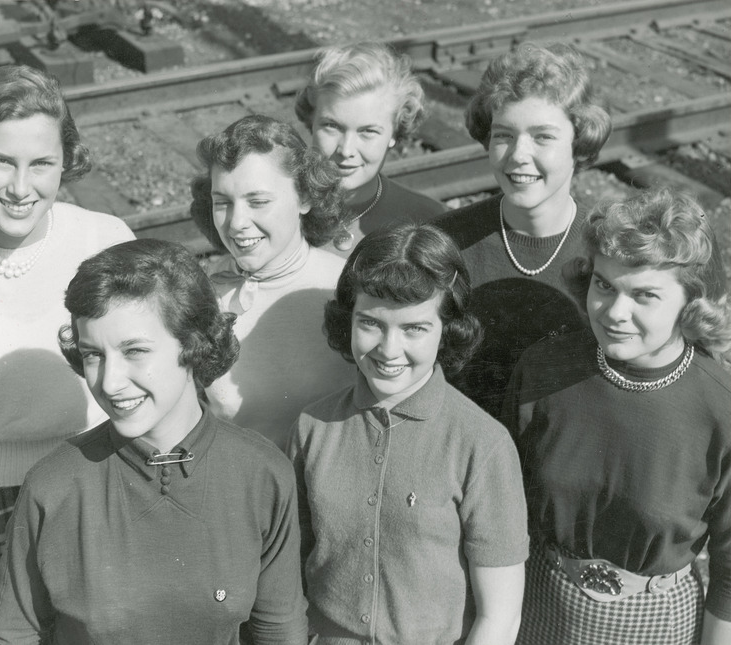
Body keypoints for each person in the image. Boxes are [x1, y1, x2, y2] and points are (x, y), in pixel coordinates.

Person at [0, 239, 307, 644]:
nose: (109, 382)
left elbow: (278, 630)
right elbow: (11, 636)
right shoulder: (54, 486)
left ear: (193, 343)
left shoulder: (262, 473)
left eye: (134, 350)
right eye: (93, 354)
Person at [0, 65, 134, 644]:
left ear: (65, 161)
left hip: (99, 487)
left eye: (41, 164)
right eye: (1, 161)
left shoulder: (106, 241)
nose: (21, 188)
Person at [501, 187, 731, 645]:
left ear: (690, 305)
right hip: (536, 602)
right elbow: (501, 514)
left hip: (656, 621)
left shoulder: (720, 407)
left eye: (644, 295)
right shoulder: (544, 369)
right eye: (604, 284)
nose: (614, 312)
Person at [289, 223, 529, 644]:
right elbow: (292, 574)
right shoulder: (313, 427)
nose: (388, 350)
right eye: (371, 324)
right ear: (348, 320)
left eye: (414, 328)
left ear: (447, 331)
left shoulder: (482, 444)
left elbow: (499, 618)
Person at [435, 42, 612, 418]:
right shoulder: (443, 244)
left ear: (578, 144)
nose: (518, 155)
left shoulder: (612, 253)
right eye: (504, 135)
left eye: (543, 137)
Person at [190, 115, 355, 450]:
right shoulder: (199, 291)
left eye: (258, 201)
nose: (236, 223)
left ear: (305, 198)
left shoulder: (346, 290)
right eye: (222, 202)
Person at [295, 42, 447, 256]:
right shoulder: (275, 207)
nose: (346, 150)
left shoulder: (426, 220)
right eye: (331, 126)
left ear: (395, 133)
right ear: (311, 121)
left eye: (367, 131)